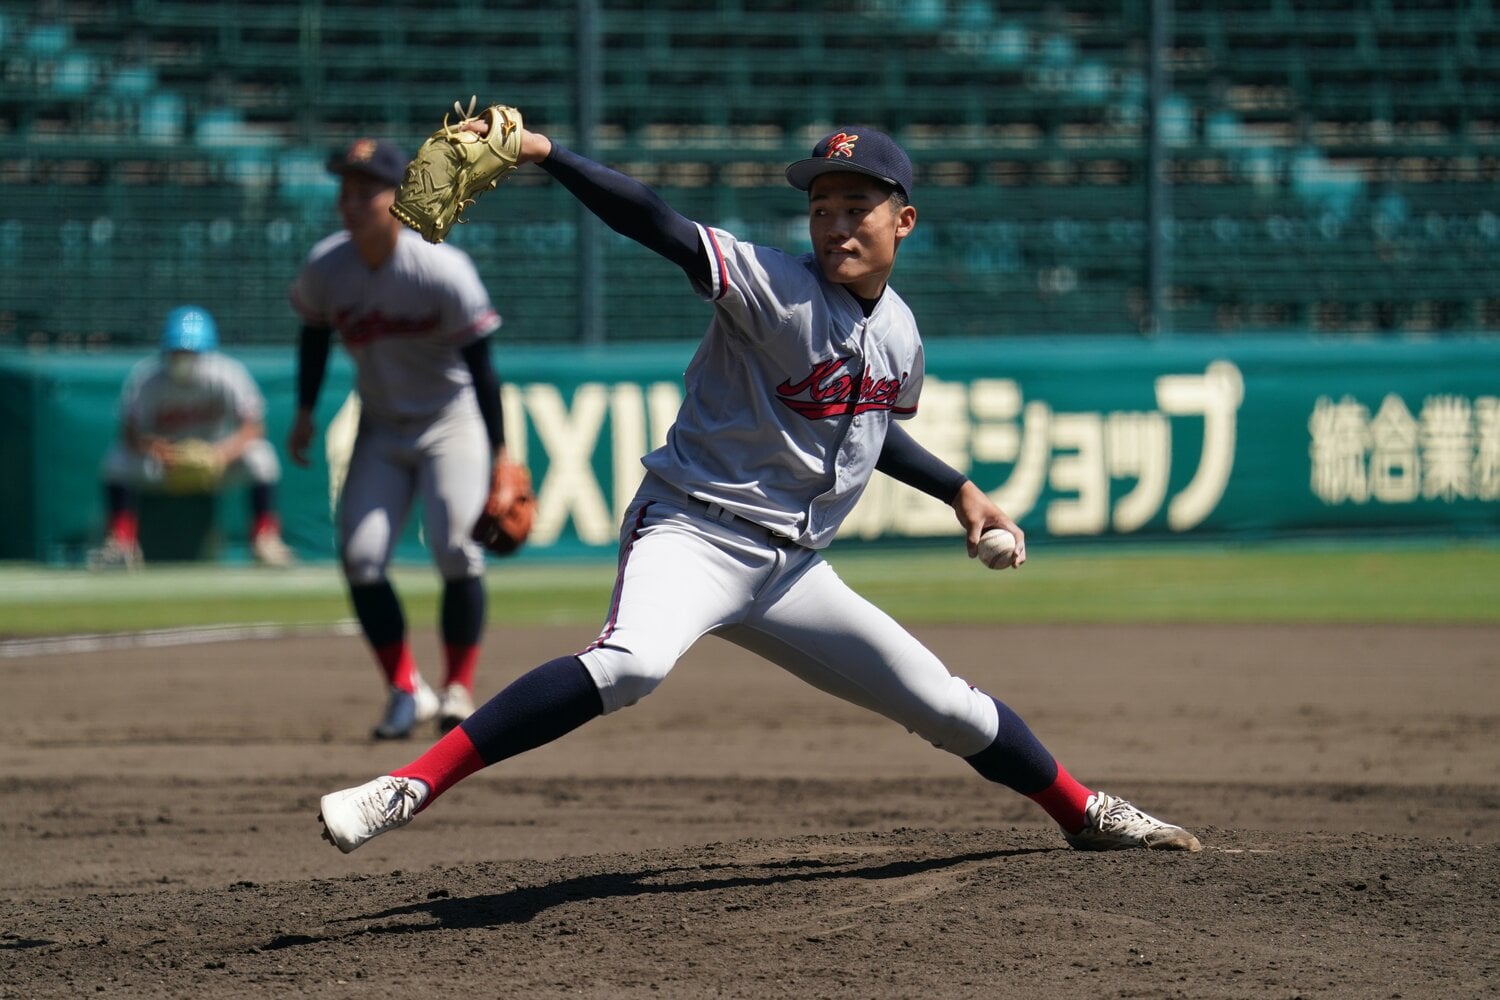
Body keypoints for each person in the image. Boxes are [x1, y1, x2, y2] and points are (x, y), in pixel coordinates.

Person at [318, 119, 1201, 855]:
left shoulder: (899, 334)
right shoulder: (770, 286)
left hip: (791, 571)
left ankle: (1082, 811)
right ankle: (408, 786)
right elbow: (657, 223)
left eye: (858, 207)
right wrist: (546, 154)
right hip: (693, 534)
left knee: (944, 703)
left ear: (906, 223)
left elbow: (865, 426)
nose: (835, 225)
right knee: (633, 665)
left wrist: (962, 493)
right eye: (822, 207)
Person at [288, 137, 514, 741]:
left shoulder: (440, 267)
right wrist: (305, 411)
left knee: (456, 550)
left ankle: (459, 690)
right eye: (346, 191)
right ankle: (404, 691)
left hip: (451, 421)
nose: (352, 202)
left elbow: (482, 367)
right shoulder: (326, 267)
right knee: (361, 558)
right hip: (382, 425)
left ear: (399, 199)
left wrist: (499, 453)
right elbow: (312, 334)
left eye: (367, 191)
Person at [91, 305, 294, 570]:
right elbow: (128, 432)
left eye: (189, 351)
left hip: (216, 463)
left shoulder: (227, 372)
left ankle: (265, 541)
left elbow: (254, 427)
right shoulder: (148, 377)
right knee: (116, 460)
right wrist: (152, 446)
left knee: (261, 456)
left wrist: (222, 453)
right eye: (177, 351)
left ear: (205, 351)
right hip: (166, 465)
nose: (182, 357)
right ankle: (121, 544)